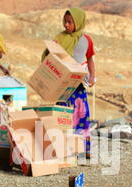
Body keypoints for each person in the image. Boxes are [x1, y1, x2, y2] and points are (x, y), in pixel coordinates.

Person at [45, 8, 96, 158]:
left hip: (79, 85)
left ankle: (85, 149)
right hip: (63, 84)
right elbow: (51, 56)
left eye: (70, 22)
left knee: (82, 114)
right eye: (65, 21)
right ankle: (63, 150)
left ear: (78, 22)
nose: (66, 25)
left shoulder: (86, 40)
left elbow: (90, 59)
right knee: (63, 115)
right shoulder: (59, 38)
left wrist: (92, 76)